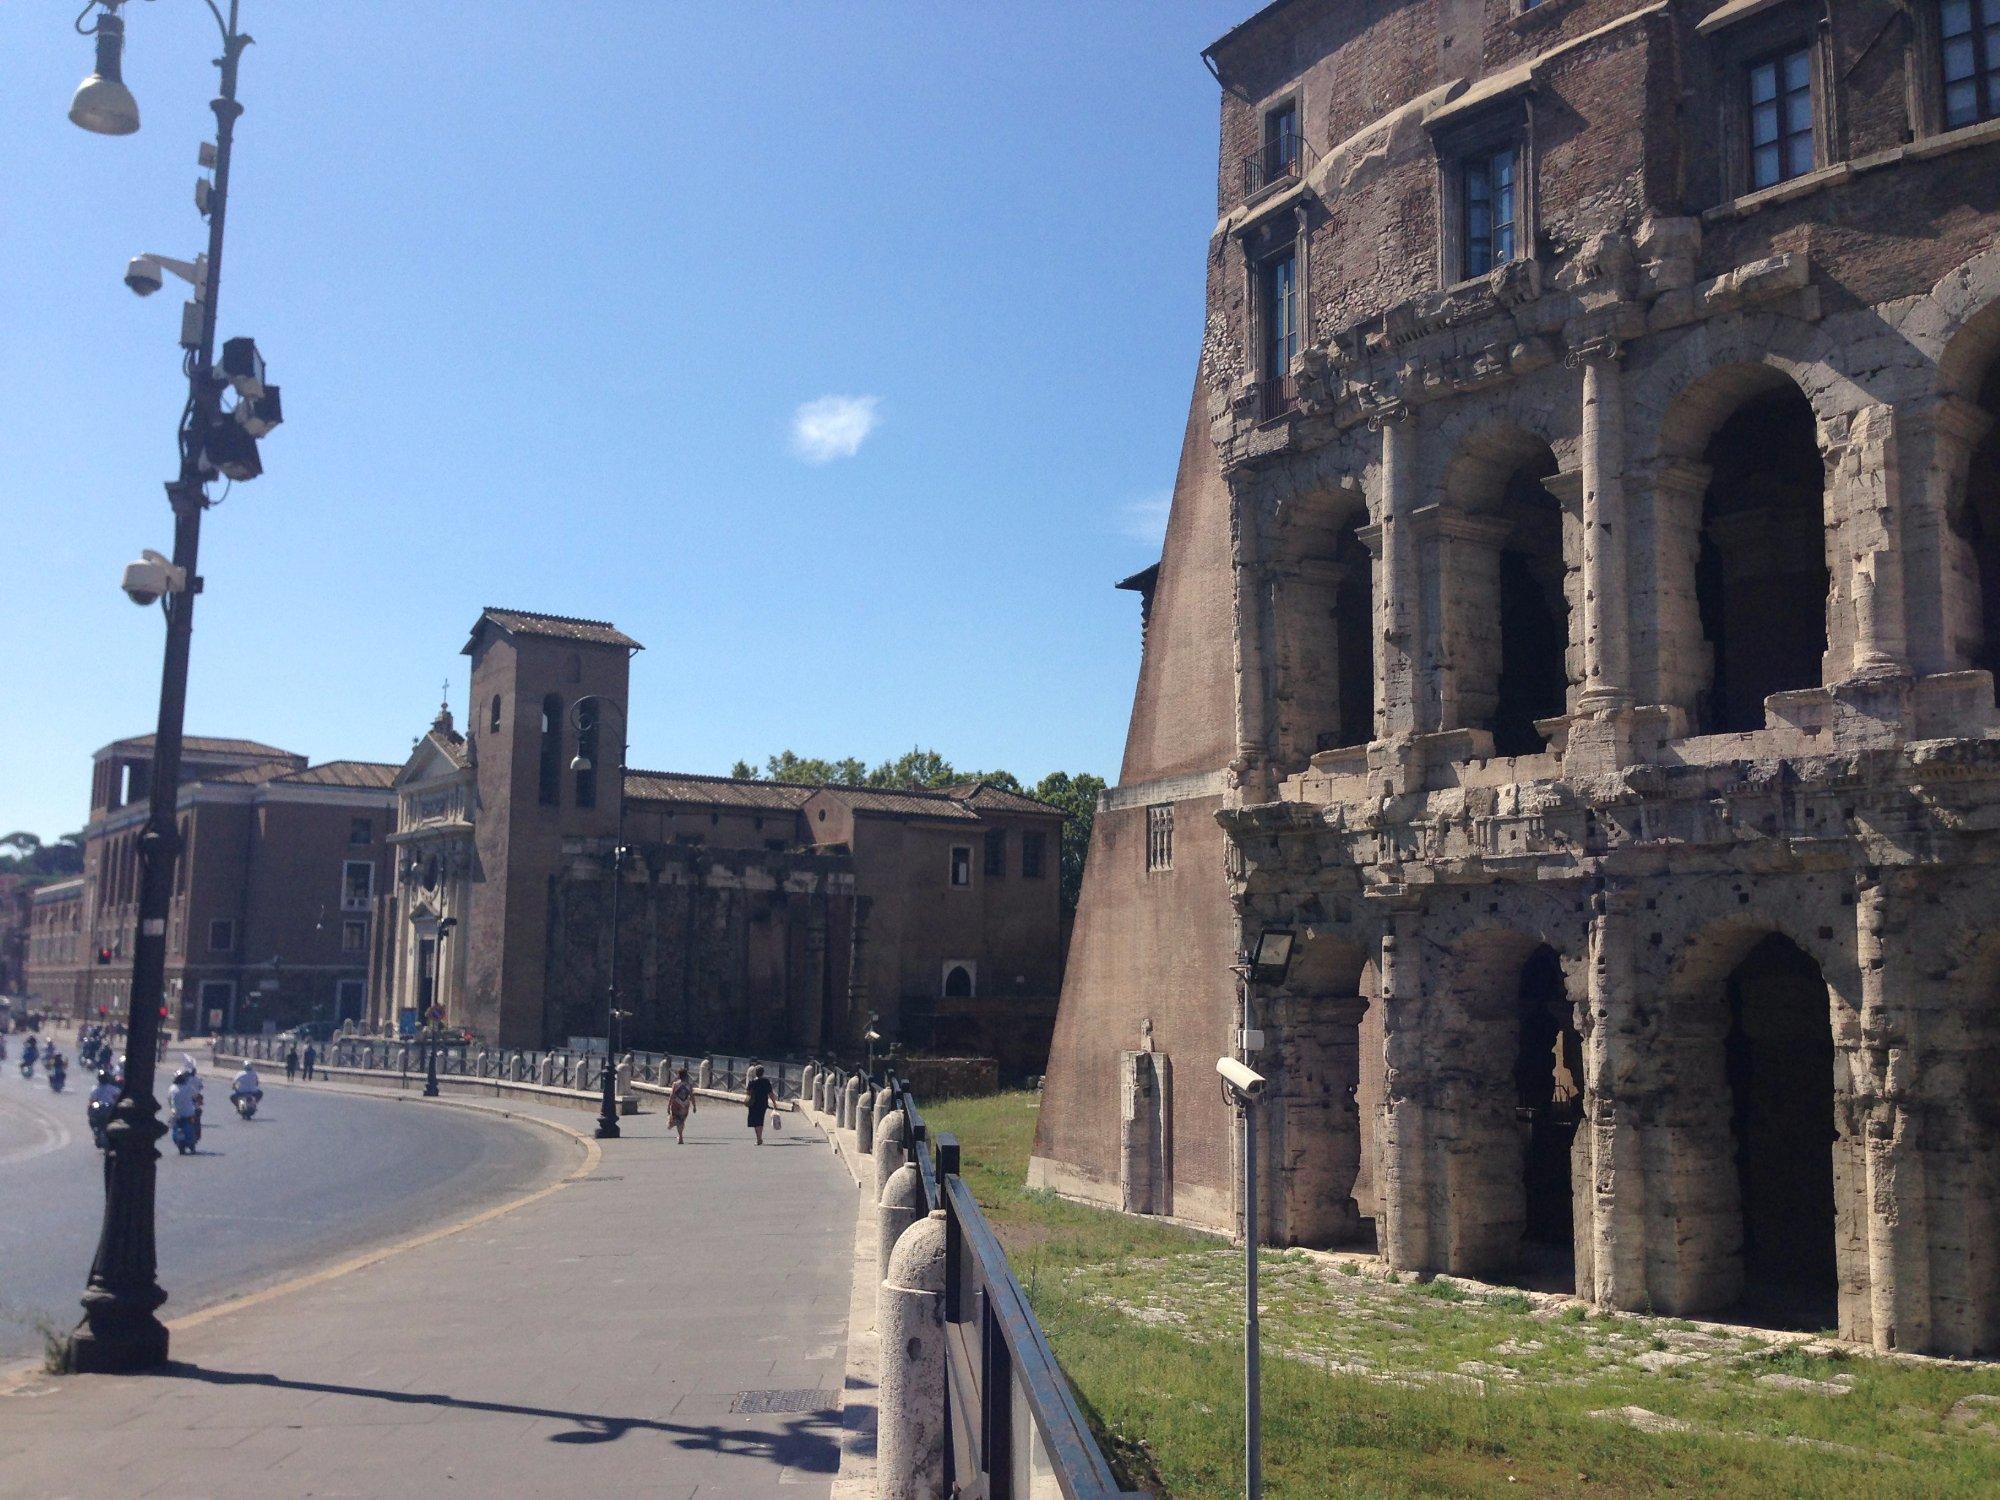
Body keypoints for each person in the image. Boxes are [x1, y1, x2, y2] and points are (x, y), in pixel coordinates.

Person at [745, 1064, 776, 1146]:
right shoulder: (766, 1081)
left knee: (755, 1121)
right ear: (763, 1072)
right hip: (763, 1103)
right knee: (760, 1120)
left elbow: (747, 1092)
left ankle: (759, 1138)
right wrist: (774, 1103)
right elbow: (771, 1093)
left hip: (753, 1103)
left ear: (755, 1073)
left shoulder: (752, 1082)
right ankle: (759, 1138)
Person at [666, 1066, 696, 1145]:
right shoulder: (689, 1085)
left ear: (679, 1075)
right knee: (681, 1121)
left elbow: (672, 1095)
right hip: (685, 1105)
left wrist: (668, 1106)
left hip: (676, 1105)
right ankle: (680, 1137)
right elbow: (692, 1096)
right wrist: (694, 1106)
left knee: (676, 1120)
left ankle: (680, 1136)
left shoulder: (675, 1084)